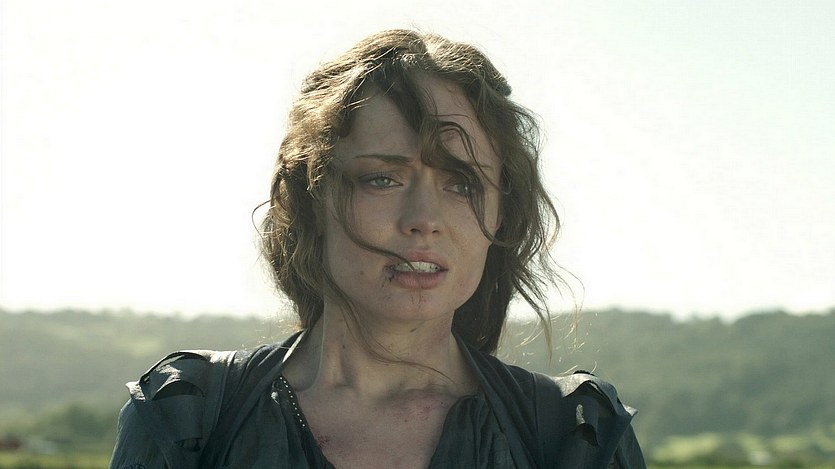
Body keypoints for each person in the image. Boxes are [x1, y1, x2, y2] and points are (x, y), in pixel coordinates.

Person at [109, 29, 646, 469]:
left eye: (461, 184)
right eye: (382, 179)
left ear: (501, 212)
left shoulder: (574, 436)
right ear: (310, 197)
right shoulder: (189, 420)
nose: (424, 220)